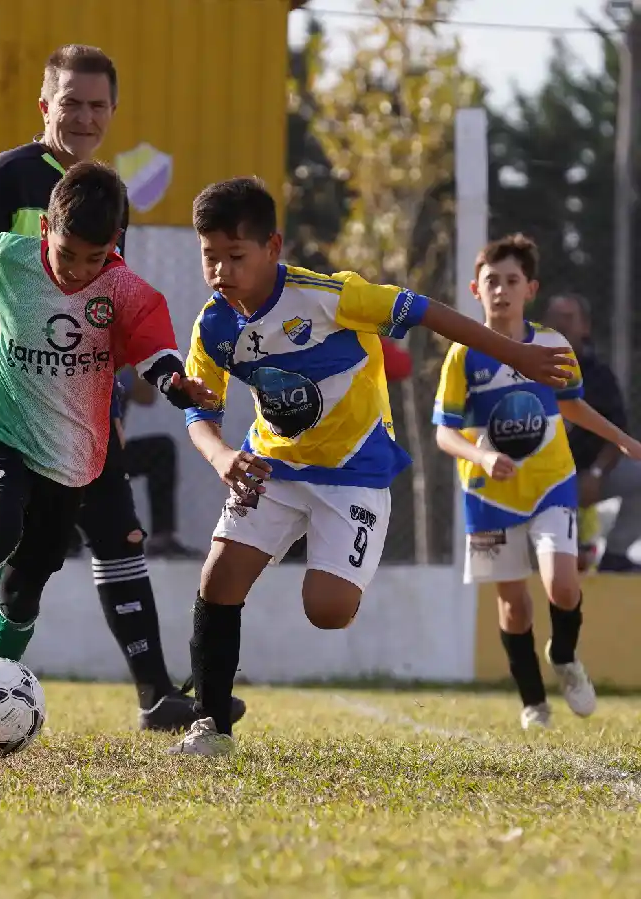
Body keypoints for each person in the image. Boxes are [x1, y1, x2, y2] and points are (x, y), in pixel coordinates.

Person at [0, 44, 244, 732]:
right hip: (0, 394)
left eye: (96, 104)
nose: (83, 116)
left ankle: (152, 695)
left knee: (99, 538)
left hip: (80, 404)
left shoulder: (105, 198)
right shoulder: (9, 177)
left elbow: (115, 306)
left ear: (112, 112)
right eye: (70, 102)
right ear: (45, 105)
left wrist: (139, 385)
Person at [164, 179, 577, 757]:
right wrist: (222, 455)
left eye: (236, 256)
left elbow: (430, 312)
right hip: (272, 467)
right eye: (209, 256)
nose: (221, 270)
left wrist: (518, 355)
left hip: (354, 472)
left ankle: (350, 550)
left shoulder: (331, 296)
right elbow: (199, 411)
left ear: (272, 247)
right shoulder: (214, 326)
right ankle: (211, 725)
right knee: (219, 577)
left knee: (328, 611)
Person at [0, 161, 218, 706]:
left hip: (71, 457)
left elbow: (155, 351)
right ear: (46, 230)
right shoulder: (8, 257)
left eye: (94, 259)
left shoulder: (125, 291)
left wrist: (176, 383)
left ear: (115, 244)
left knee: (27, 583)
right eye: (66, 253)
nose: (77, 270)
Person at [434, 238, 641, 729]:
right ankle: (534, 703)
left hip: (551, 483)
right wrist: (482, 455)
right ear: (475, 290)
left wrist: (622, 439)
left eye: (511, 281)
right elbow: (444, 432)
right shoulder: (464, 356)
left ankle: (565, 657)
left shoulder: (550, 344)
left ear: (530, 289)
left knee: (563, 587)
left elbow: (570, 404)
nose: (501, 291)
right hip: (489, 497)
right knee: (513, 604)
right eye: (491, 282)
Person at [543, 293, 641, 573]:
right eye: (554, 319)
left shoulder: (599, 376)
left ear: (584, 328)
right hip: (538, 482)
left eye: (568, 319)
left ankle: (616, 556)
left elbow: (618, 433)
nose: (560, 325)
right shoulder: (524, 367)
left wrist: (596, 473)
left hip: (588, 477)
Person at [109, 367, 202, 558]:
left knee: (161, 450)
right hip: (74, 455)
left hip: (111, 455)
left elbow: (147, 398)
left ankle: (162, 540)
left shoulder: (123, 362)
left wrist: (128, 368)